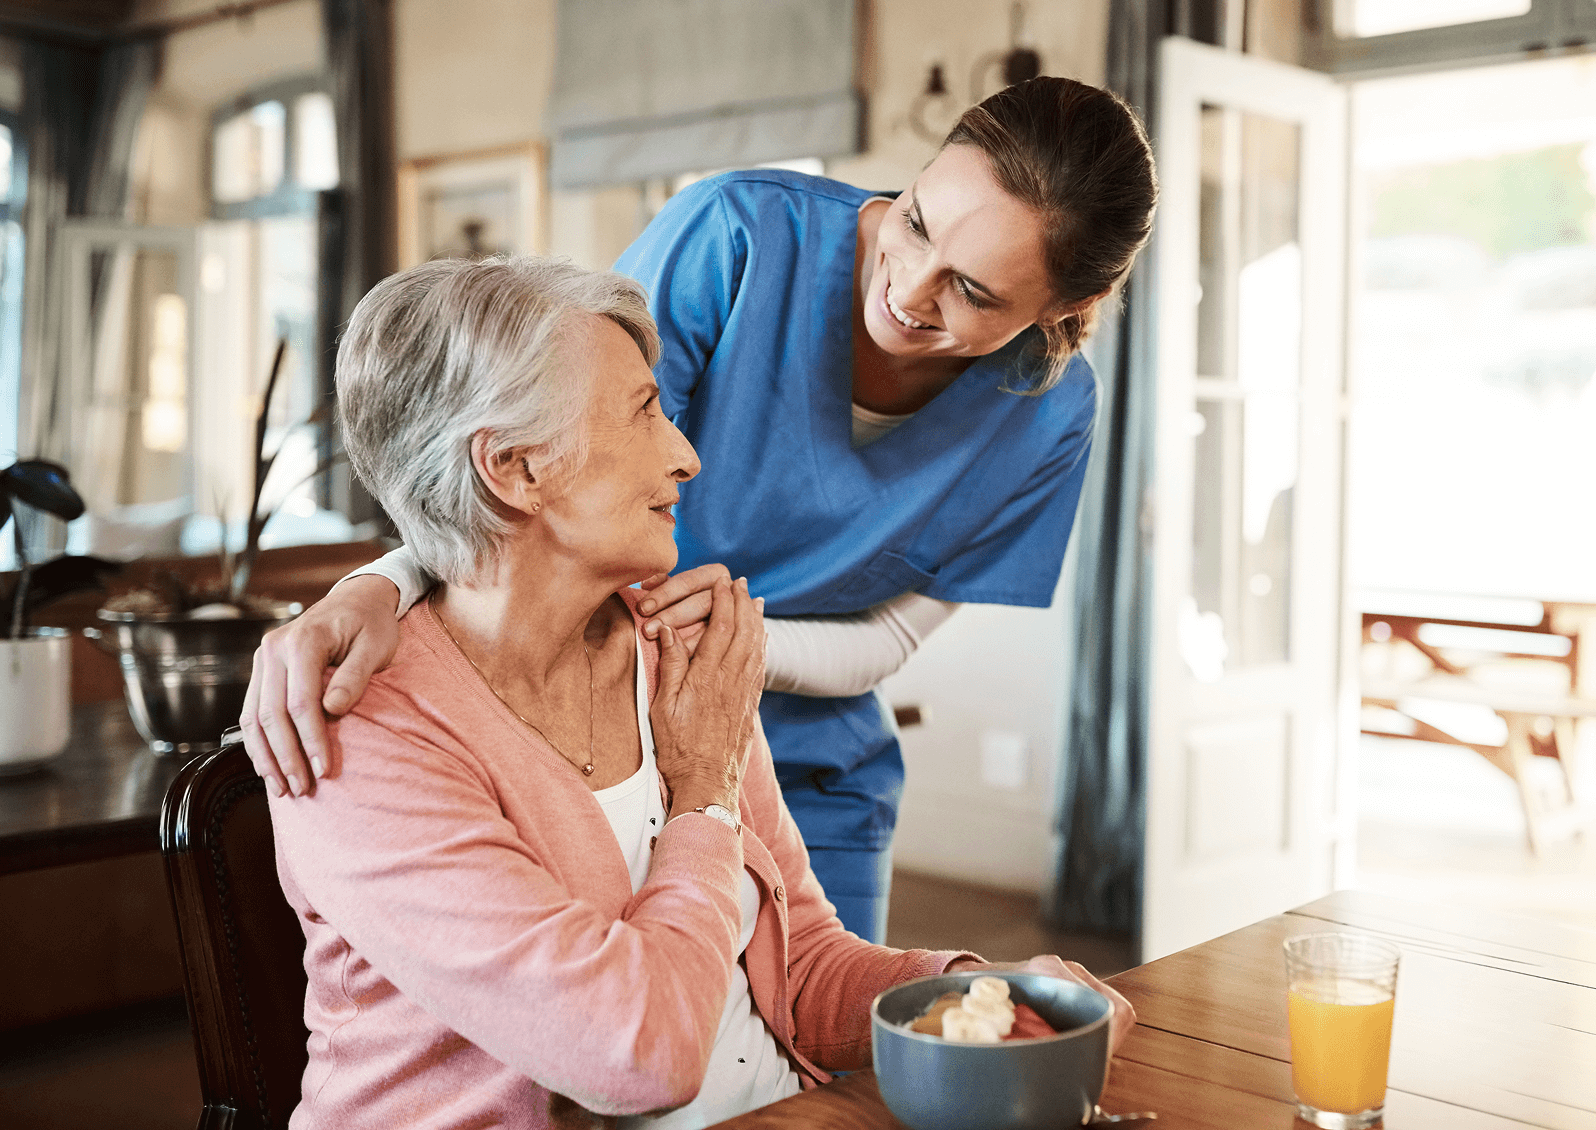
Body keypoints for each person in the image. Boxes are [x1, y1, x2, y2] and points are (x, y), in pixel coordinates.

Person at [242, 77, 1159, 944]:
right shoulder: (739, 236)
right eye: (916, 222)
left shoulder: (1049, 416)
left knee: (820, 1072)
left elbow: (891, 640)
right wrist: (381, 583)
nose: (909, 290)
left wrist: (728, 655)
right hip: (595, 733)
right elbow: (527, 457)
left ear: (1065, 307)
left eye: (973, 291)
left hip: (811, 765)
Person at [269, 255, 1134, 1129]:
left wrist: (975, 992)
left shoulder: (677, 654)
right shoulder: (358, 733)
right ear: (515, 470)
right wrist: (705, 794)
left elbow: (802, 971)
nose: (685, 456)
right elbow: (639, 1054)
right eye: (645, 412)